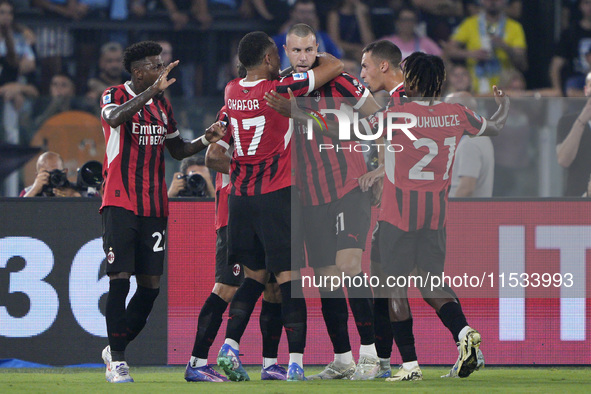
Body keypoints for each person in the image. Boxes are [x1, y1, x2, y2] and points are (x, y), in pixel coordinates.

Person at [215, 30, 343, 382]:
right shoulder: (282, 90)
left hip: (241, 198)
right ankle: (296, 364)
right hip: (276, 195)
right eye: (280, 55)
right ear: (271, 59)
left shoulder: (230, 90)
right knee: (290, 281)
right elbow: (335, 66)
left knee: (254, 277)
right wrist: (308, 63)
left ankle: (228, 345)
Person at [374, 52, 509, 381]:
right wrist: (503, 105)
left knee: (394, 287)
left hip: (398, 215)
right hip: (435, 217)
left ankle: (409, 366)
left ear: (413, 80)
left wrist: (303, 116)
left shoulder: (397, 114)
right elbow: (496, 127)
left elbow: (346, 129)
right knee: (429, 281)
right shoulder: (457, 113)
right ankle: (464, 333)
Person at [99, 40, 225, 383]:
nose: (162, 70)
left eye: (162, 64)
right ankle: (118, 362)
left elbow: (177, 149)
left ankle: (113, 347)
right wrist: (152, 91)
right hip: (120, 200)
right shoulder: (114, 95)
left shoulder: (161, 106)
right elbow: (113, 119)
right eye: (156, 65)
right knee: (119, 280)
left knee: (151, 287)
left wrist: (206, 139)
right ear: (138, 71)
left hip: (154, 205)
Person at [267, 23, 383, 381]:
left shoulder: (343, 82)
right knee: (327, 281)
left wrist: (380, 168)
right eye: (296, 51)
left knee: (349, 266)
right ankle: (343, 358)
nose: (303, 58)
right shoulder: (284, 88)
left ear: (318, 49)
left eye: (309, 51)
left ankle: (371, 355)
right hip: (310, 196)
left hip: (349, 188)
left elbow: (379, 118)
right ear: (286, 51)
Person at [184, 107, 286, 382]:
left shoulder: (267, 113)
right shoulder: (230, 113)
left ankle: (270, 364)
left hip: (263, 211)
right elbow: (213, 157)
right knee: (227, 286)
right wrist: (259, 173)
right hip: (235, 212)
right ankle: (197, 361)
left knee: (272, 287)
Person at [357, 39, 407, 379]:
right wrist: (381, 168)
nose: (362, 74)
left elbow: (406, 146)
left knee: (392, 287)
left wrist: (382, 170)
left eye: (365, 67)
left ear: (383, 66)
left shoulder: (407, 100)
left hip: (406, 211)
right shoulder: (397, 102)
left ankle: (408, 362)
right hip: (393, 207)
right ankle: (385, 361)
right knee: (383, 286)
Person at [444, 0, 527, 94]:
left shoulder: (515, 27)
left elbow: (522, 62)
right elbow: (448, 51)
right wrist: (472, 54)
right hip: (475, 89)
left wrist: (504, 46)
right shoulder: (469, 24)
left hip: (503, 90)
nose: (492, 1)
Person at [446, 91, 495, 197]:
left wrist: (450, 212)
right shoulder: (479, 137)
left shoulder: (470, 143)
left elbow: (466, 188)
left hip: (464, 212)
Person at [273, 0, 342, 70]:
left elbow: (338, 61)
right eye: (302, 12)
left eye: (310, 12)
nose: (306, 16)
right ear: (292, 13)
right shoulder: (278, 41)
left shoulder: (325, 39)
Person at [556, 71, 591, 196]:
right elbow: (564, 160)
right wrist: (582, 120)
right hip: (577, 200)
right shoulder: (567, 121)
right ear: (586, 90)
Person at [550, 0, 591, 96]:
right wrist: (557, 91)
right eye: (586, 3)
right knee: (571, 87)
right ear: (580, 6)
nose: (590, 6)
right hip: (578, 81)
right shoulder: (570, 33)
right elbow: (555, 67)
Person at [85, 42, 127, 114]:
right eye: (109, 61)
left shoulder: (130, 82)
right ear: (101, 62)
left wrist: (102, 90)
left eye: (118, 60)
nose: (114, 65)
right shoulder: (90, 85)